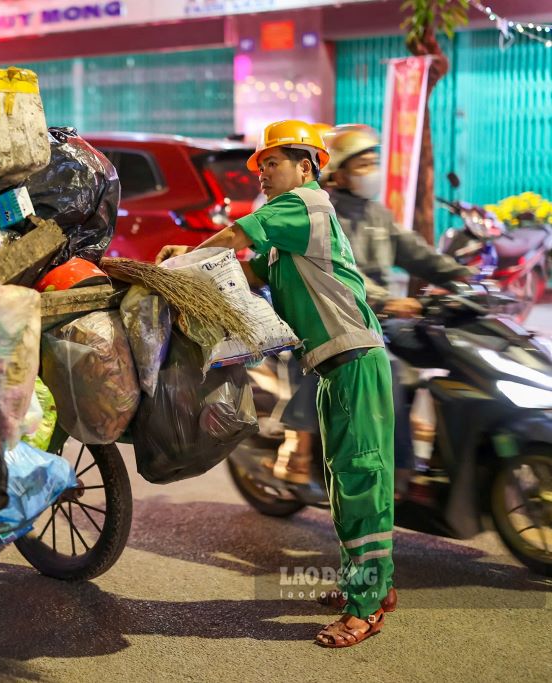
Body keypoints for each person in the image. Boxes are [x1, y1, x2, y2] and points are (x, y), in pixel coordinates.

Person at [157, 120, 395, 647]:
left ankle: (368, 606)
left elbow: (238, 235)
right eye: (261, 165)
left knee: (361, 478)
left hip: (355, 359)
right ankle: (369, 584)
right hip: (332, 365)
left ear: (306, 165)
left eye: (272, 163)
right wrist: (189, 266)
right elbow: (247, 273)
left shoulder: (305, 205)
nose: (262, 173)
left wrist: (193, 254)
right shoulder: (288, 232)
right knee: (340, 480)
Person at [272, 124, 473, 489]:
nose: (372, 170)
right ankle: (396, 472)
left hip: (384, 320)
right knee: (389, 368)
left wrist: (464, 277)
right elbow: (342, 273)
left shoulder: (377, 215)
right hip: (342, 320)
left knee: (452, 348)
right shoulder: (321, 213)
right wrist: (388, 300)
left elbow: (417, 253)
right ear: (339, 173)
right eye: (362, 164)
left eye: (374, 162)